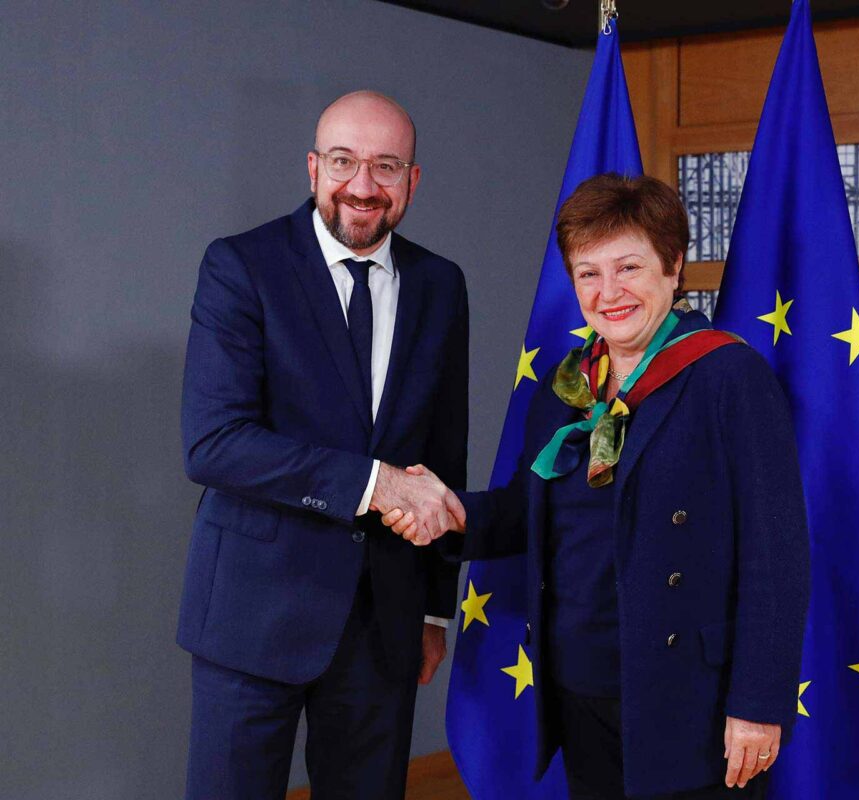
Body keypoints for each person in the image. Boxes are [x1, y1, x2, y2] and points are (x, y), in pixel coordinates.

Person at [388, 174, 810, 799]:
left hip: (686, 691)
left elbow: (776, 555)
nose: (608, 292)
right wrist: (451, 514)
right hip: (578, 680)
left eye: (629, 267)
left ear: (673, 266)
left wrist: (758, 702)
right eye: (588, 273)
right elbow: (529, 511)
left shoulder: (729, 378)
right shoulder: (565, 387)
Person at [178, 90, 469, 799]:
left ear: (413, 179)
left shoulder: (440, 284)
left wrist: (432, 610)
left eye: (386, 166)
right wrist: (374, 483)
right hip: (252, 614)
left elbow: (443, 453)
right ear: (312, 168)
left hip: (384, 623)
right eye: (343, 161)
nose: (363, 186)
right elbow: (214, 443)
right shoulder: (240, 266)